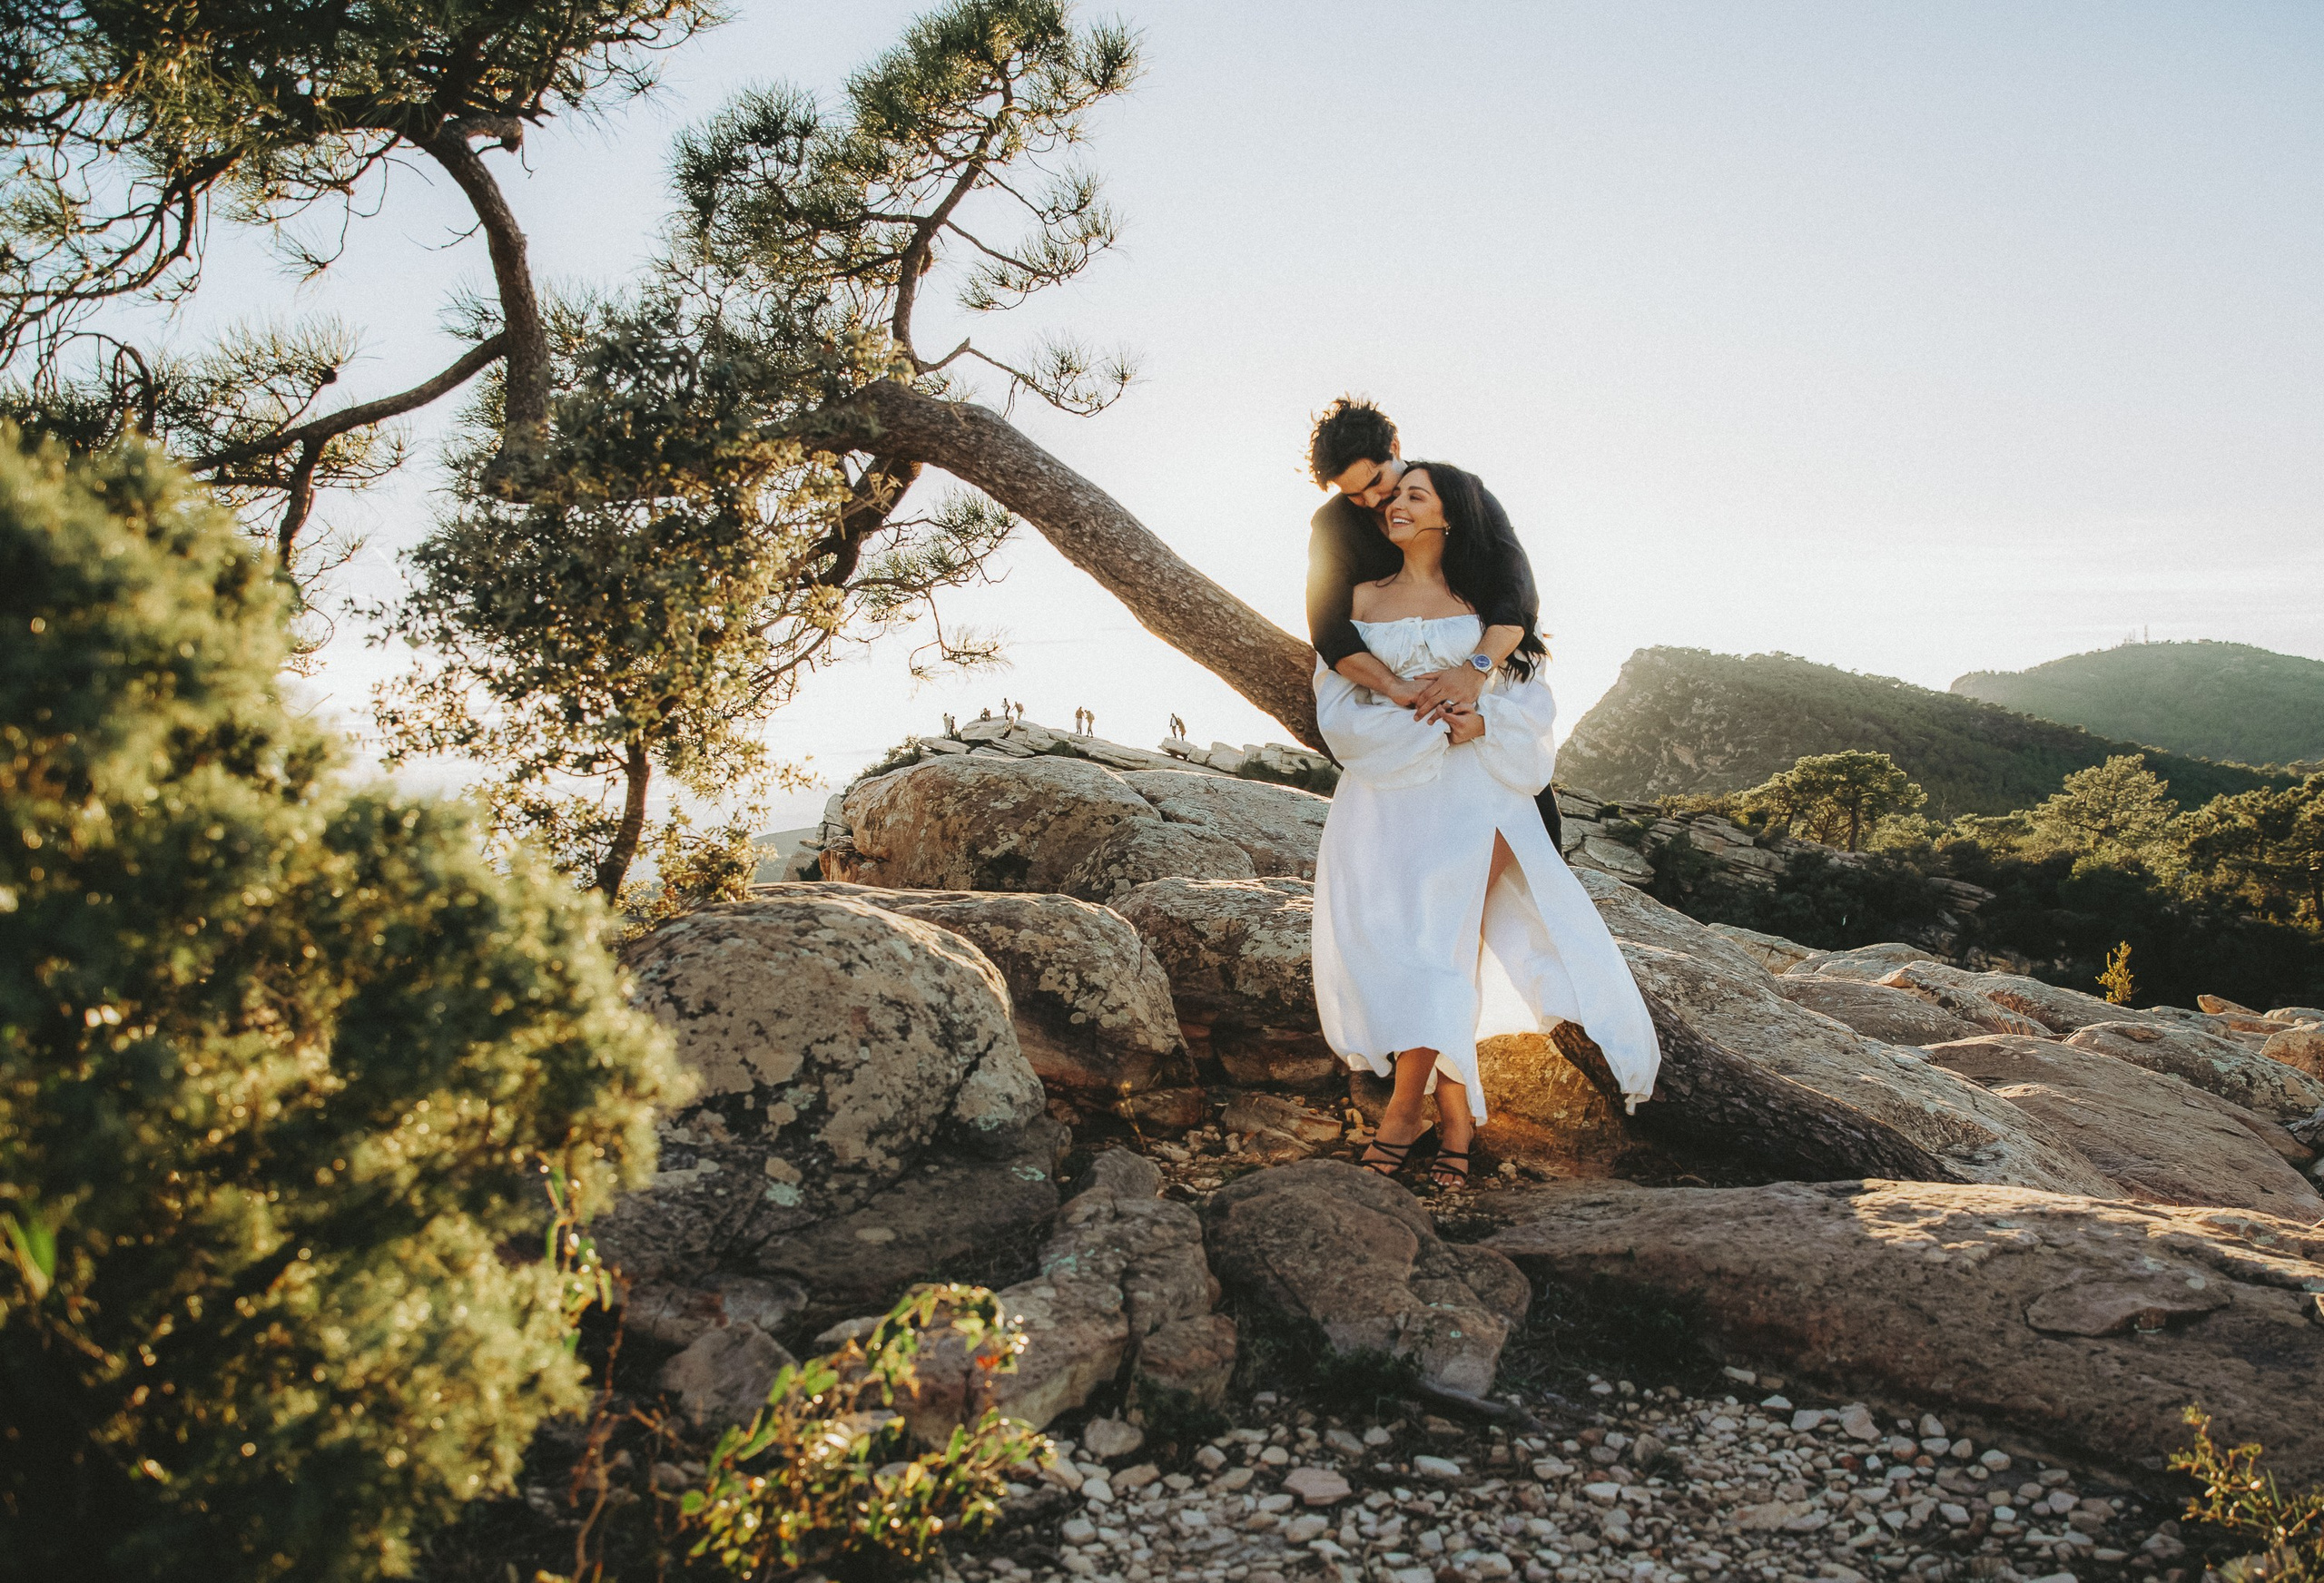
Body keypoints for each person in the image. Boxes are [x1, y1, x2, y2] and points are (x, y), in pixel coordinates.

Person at [1311, 460, 1660, 1189]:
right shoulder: (1362, 598)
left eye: (1414, 496)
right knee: (1421, 951)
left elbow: (1531, 706)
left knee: (1439, 943)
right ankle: (1459, 1115)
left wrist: (1480, 722)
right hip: (1385, 794)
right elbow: (1340, 711)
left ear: (1449, 516)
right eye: (1390, 496)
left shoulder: (1490, 610)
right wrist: (1426, 730)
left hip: (1479, 796)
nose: (1393, 505)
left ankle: (1404, 1114)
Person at [1306, 398, 1563, 850]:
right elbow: (1328, 630)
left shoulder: (1458, 492)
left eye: (1374, 482)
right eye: (1353, 494)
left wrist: (1473, 671)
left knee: (1535, 835)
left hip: (1484, 677)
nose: (1373, 502)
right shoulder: (1332, 527)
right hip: (1399, 711)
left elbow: (1518, 593)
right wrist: (1392, 686)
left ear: (1395, 447)